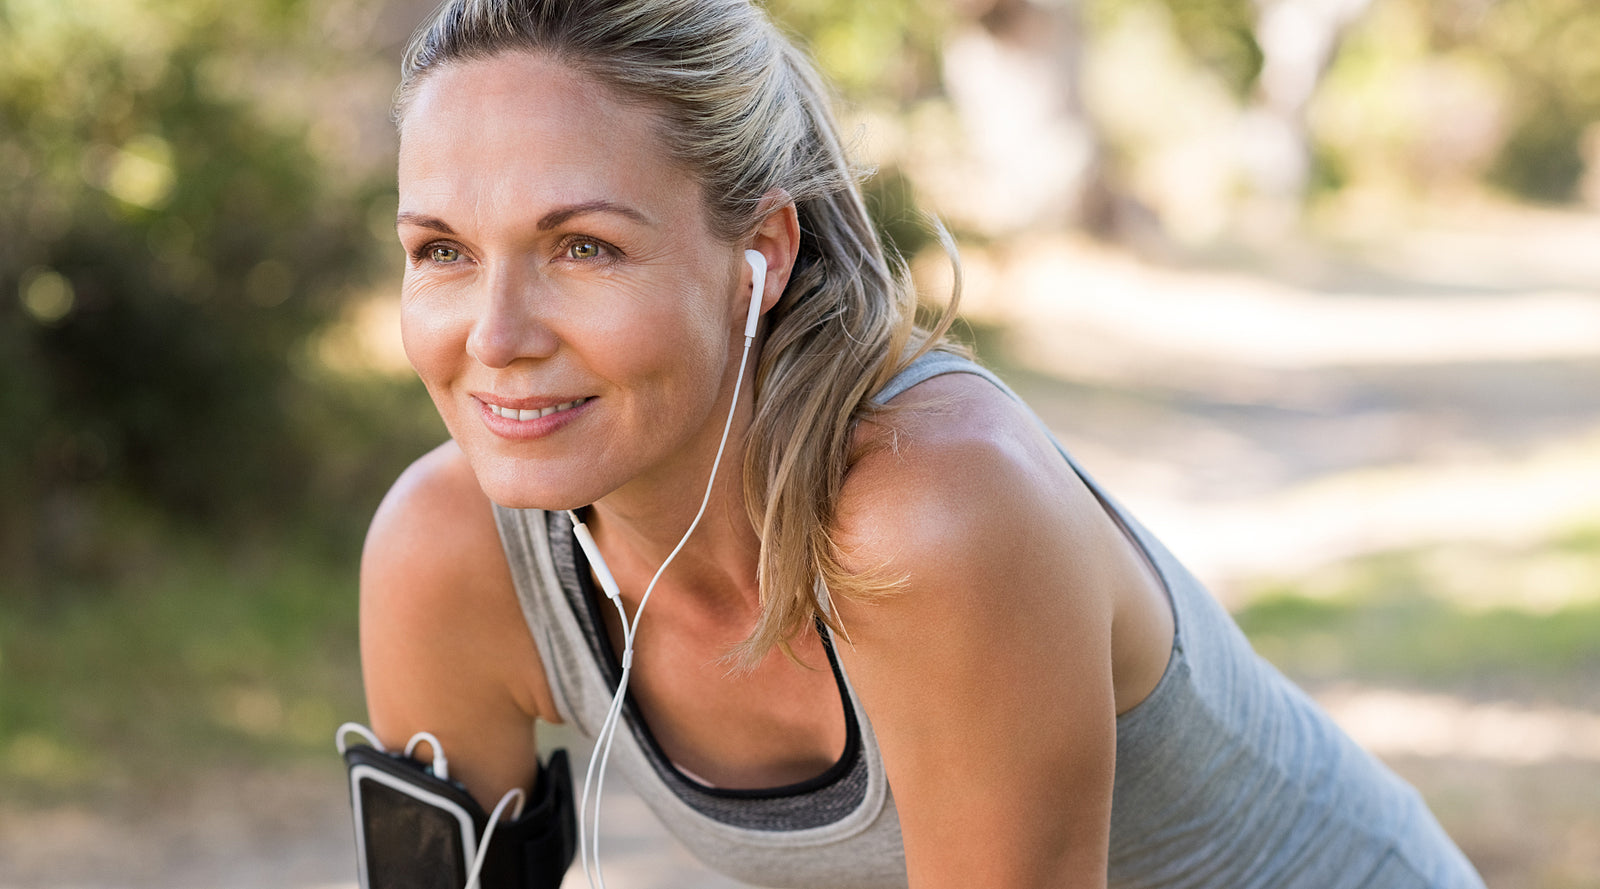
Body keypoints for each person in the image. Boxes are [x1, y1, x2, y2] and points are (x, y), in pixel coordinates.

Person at [358, 0, 1487, 886]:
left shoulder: (929, 510)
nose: (494, 338)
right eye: (443, 252)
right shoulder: (449, 551)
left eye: (584, 249)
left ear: (762, 252)